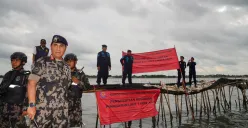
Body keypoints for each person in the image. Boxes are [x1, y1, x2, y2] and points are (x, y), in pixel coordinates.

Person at [27, 35, 71, 128]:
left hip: (61, 114)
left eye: (61, 46)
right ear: (51, 46)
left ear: (65, 48)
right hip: (42, 112)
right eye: (55, 45)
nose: (58, 48)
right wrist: (31, 105)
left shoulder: (67, 67)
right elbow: (31, 84)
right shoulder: (41, 62)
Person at [0, 52, 30, 128]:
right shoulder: (7, 75)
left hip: (18, 110)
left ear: (23, 62)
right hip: (4, 109)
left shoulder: (26, 75)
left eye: (16, 60)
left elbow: (28, 93)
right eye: (12, 60)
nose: (13, 62)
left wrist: (25, 109)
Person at [64, 53, 90, 127]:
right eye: (67, 61)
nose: (69, 63)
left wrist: (78, 82)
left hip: (76, 107)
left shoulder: (80, 74)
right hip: (63, 106)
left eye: (71, 61)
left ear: (75, 62)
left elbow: (88, 87)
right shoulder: (61, 73)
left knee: (76, 125)